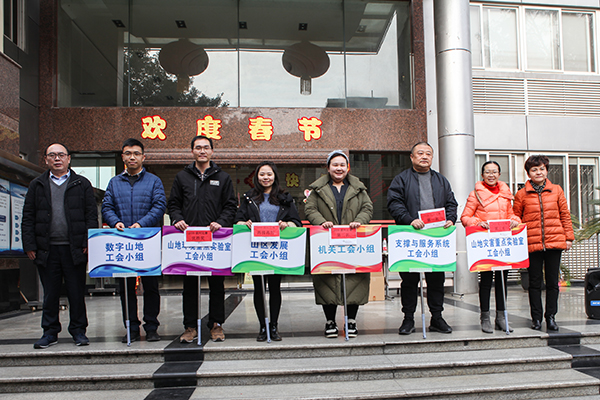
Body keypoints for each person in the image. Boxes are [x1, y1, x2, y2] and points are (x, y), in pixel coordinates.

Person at [22, 143, 98, 349]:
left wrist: (88, 241)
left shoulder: (81, 184)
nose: (57, 159)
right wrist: (30, 245)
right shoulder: (37, 185)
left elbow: (91, 216)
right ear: (46, 159)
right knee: (50, 294)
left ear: (69, 158)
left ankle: (78, 331)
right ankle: (50, 332)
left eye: (61, 155)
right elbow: (28, 217)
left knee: (76, 292)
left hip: (74, 248)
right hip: (46, 249)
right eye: (52, 155)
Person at [168, 135, 237, 343]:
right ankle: (190, 327)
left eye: (206, 147)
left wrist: (221, 222)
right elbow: (173, 204)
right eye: (198, 147)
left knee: (217, 284)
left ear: (212, 151)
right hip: (189, 239)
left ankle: (216, 325)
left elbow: (230, 205)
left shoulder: (223, 177)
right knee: (189, 285)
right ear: (192, 151)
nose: (202, 151)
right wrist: (177, 219)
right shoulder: (182, 177)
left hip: (215, 239)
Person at [387, 142, 457, 335]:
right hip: (411, 236)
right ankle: (408, 319)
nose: (424, 156)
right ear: (412, 157)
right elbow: (394, 203)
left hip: (435, 238)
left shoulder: (441, 180)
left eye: (428, 154)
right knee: (409, 281)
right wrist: (409, 220)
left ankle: (437, 318)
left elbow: (451, 203)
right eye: (420, 153)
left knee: (436, 280)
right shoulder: (401, 179)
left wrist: (451, 219)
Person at [102, 138, 166, 343]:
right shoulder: (114, 182)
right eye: (128, 153)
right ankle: (131, 327)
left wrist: (141, 224)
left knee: (151, 286)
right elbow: (106, 207)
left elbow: (159, 206)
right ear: (122, 157)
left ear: (143, 157)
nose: (132, 157)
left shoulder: (154, 181)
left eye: (136, 153)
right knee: (125, 287)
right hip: (123, 241)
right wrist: (116, 222)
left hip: (147, 240)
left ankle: (151, 326)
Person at [305, 150, 373, 338]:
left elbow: (368, 208)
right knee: (327, 280)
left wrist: (359, 221)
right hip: (327, 241)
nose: (339, 168)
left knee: (354, 280)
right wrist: (321, 222)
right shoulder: (317, 189)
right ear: (328, 168)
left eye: (342, 165)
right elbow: (309, 209)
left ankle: (351, 321)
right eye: (335, 165)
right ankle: (330, 321)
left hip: (353, 240)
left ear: (347, 167)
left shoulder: (359, 188)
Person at [235, 161, 302, 341]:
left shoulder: (284, 197)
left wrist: (286, 224)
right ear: (256, 177)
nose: (266, 177)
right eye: (262, 174)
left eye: (269, 174)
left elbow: (296, 221)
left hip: (276, 250)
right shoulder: (249, 197)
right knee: (259, 288)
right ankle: (262, 326)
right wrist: (245, 223)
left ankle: (273, 326)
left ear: (275, 176)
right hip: (256, 250)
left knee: (274, 288)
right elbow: (238, 220)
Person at [513, 155, 574, 332]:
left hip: (554, 242)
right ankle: (536, 318)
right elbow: (516, 217)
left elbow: (564, 214)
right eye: (534, 169)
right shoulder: (521, 194)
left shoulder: (557, 190)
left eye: (541, 169)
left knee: (553, 282)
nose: (538, 172)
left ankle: (551, 317)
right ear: (528, 173)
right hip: (532, 243)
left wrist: (568, 238)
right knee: (534, 283)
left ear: (546, 171)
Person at [460, 161, 521, 333]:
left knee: (502, 282)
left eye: (494, 171)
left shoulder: (505, 193)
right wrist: (478, 223)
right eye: (487, 172)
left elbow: (511, 214)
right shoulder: (475, 194)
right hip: (485, 245)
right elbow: (465, 217)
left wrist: (515, 221)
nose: (491, 175)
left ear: (499, 174)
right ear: (482, 175)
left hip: (503, 244)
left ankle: (501, 318)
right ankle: (485, 317)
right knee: (486, 282)